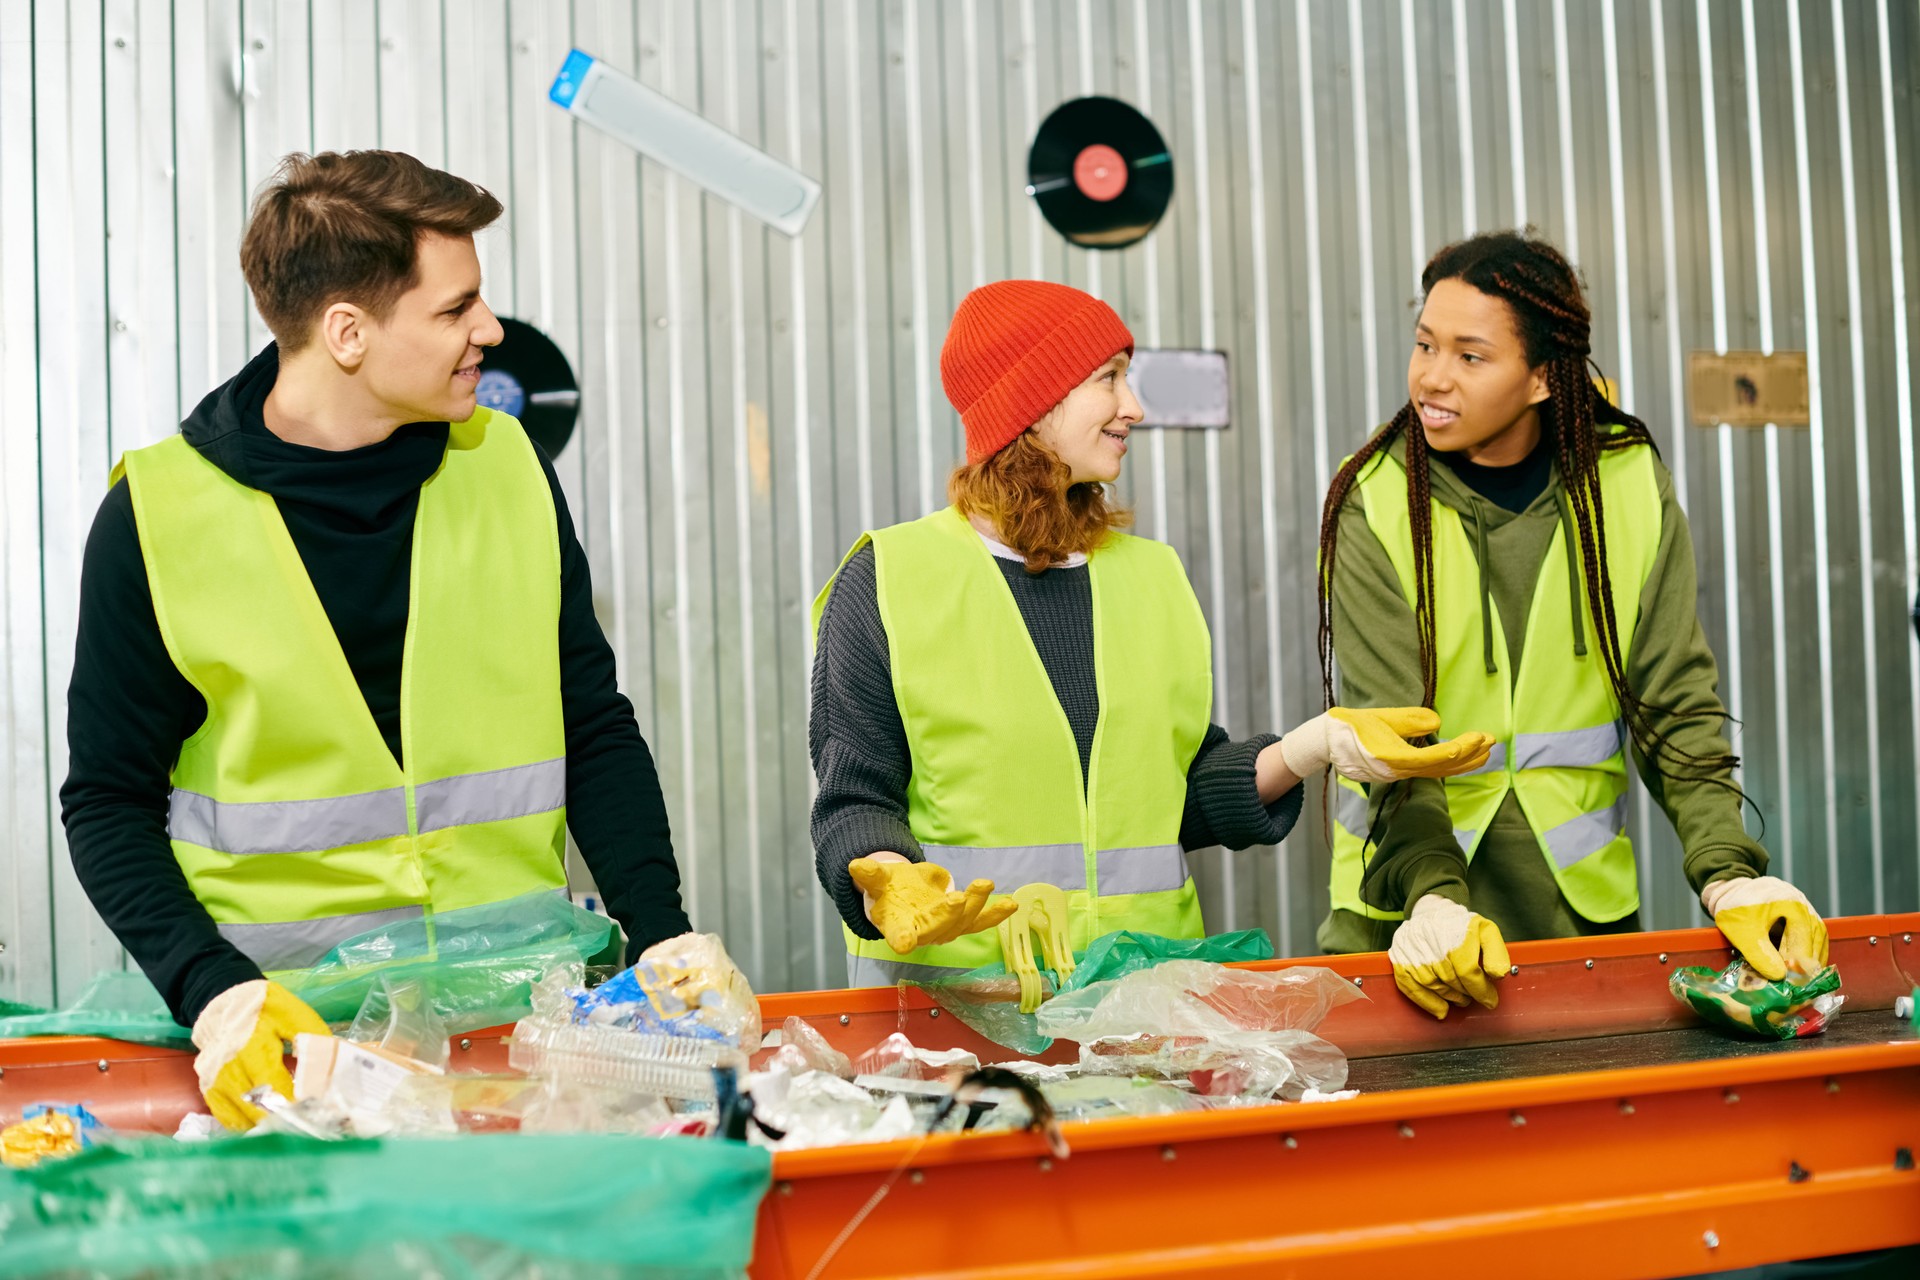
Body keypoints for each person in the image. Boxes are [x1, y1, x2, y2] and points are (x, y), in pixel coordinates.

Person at [61, 150, 689, 1127]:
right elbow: (107, 802)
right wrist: (215, 990)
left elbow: (592, 724)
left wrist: (663, 936)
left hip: (519, 1046)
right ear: (347, 332)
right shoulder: (157, 515)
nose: (490, 330)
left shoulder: (508, 466)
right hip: (290, 1060)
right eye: (456, 309)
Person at [809, 279, 1492, 986]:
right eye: (1109, 379)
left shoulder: (1152, 576)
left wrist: (1309, 747)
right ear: (1032, 400)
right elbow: (856, 800)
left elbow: (1178, 796)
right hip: (958, 1029)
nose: (1133, 407)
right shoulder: (889, 578)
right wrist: (888, 881)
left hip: (1140, 1017)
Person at [1316, 231, 1829, 1019]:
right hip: (1406, 922)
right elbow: (1390, 738)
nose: (1432, 377)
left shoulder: (1624, 482)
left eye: (1470, 356)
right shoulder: (1378, 500)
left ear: (1543, 379)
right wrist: (1433, 899)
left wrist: (1728, 871)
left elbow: (1674, 702)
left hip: (1576, 920)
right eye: (1424, 345)